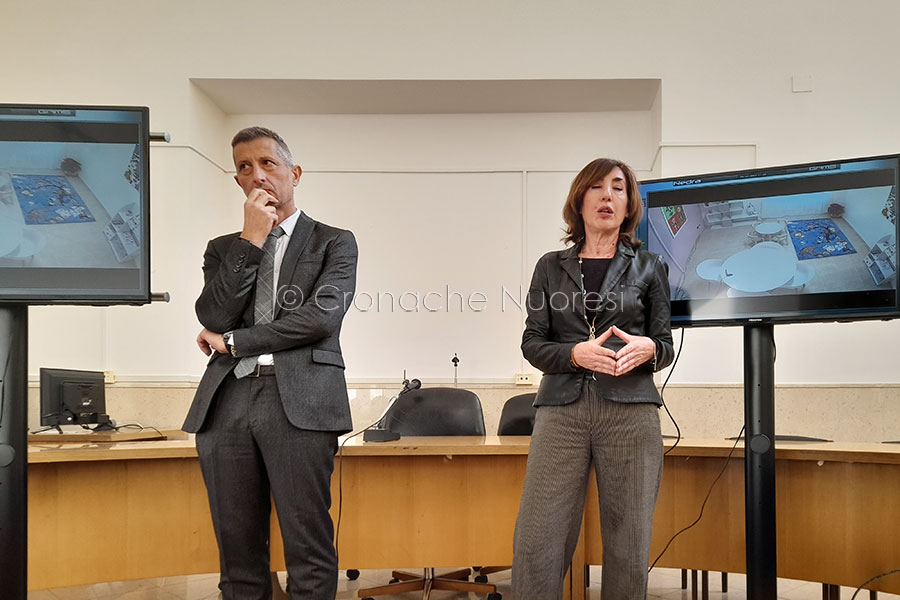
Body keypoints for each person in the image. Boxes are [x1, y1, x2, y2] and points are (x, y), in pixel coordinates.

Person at [183, 126, 358, 600]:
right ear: (237, 181)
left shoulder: (334, 242)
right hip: (226, 403)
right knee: (237, 550)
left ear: (294, 173)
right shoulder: (224, 248)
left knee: (308, 547)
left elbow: (319, 319)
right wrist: (252, 239)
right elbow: (212, 314)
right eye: (244, 167)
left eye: (267, 164)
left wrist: (234, 341)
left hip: (300, 402)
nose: (257, 175)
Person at [512, 158, 674, 599]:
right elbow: (532, 344)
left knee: (628, 542)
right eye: (597, 187)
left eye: (619, 188)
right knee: (537, 538)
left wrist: (650, 349)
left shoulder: (649, 266)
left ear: (629, 205)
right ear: (579, 199)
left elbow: (665, 343)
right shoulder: (550, 266)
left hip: (631, 412)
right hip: (561, 411)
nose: (607, 196)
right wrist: (575, 354)